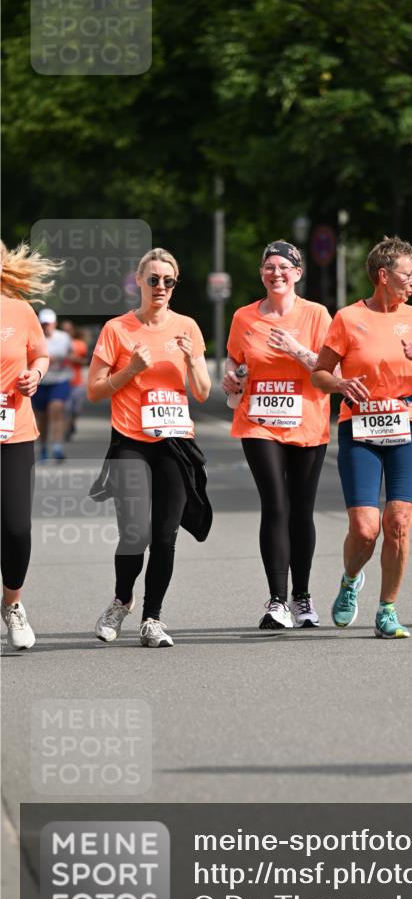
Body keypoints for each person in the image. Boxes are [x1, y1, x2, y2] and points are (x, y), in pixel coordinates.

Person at [312, 236, 412, 640]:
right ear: (384, 276)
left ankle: (388, 608)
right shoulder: (348, 318)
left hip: (409, 424)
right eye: (409, 274)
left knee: (399, 521)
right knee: (366, 528)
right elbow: (319, 374)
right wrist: (340, 384)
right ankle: (351, 579)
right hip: (360, 427)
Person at [87, 247, 212, 648]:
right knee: (134, 533)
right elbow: (94, 391)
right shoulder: (117, 329)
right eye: (153, 279)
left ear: (175, 285)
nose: (161, 286)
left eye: (168, 281)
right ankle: (121, 600)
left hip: (175, 443)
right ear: (138, 281)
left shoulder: (187, 327)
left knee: (164, 535)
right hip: (131, 442)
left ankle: (152, 618)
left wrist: (192, 360)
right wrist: (131, 370)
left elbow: (203, 392)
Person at [224, 240, 331, 631]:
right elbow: (235, 360)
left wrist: (296, 349)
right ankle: (277, 600)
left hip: (308, 422)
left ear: (297, 273)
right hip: (259, 421)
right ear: (261, 274)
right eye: (269, 267)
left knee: (301, 510)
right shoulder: (244, 317)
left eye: (284, 267)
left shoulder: (317, 315)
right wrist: (232, 377)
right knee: (275, 504)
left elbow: (331, 370)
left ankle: (302, 596)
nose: (276, 273)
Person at [0, 240, 58, 649]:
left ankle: (13, 603)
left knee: (16, 527)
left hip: (14, 431)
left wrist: (34, 376)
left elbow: (40, 356)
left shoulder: (19, 310)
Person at [32, 307, 72, 460]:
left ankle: (57, 447)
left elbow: (69, 354)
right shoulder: (35, 337)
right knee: (42, 417)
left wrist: (62, 359)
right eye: (44, 324)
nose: (46, 326)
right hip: (41, 382)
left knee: (56, 410)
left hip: (59, 380)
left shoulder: (64, 337)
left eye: (49, 323)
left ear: (55, 323)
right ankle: (43, 447)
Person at [61, 320, 89, 440]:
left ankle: (72, 423)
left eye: (68, 330)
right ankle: (66, 429)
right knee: (66, 408)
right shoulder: (58, 343)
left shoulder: (80, 344)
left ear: (72, 331)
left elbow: (86, 361)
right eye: (64, 330)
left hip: (77, 382)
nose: (66, 332)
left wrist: (74, 358)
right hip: (63, 381)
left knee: (76, 409)